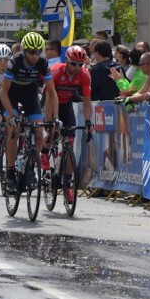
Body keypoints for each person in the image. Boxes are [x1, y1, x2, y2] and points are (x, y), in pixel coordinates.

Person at [0, 32, 58, 192]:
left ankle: (31, 166)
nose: (35, 56)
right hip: (11, 94)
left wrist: (55, 118)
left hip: (30, 94)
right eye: (31, 52)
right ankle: (10, 173)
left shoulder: (43, 63)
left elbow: (52, 92)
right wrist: (11, 116)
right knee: (14, 131)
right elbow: (3, 92)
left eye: (38, 52)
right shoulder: (15, 61)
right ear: (24, 51)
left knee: (39, 134)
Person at [49, 45, 94, 202]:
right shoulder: (56, 71)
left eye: (80, 64)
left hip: (66, 105)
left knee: (70, 142)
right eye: (74, 63)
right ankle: (45, 153)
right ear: (67, 61)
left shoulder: (84, 75)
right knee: (52, 132)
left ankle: (67, 183)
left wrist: (88, 121)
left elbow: (87, 101)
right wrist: (54, 119)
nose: (77, 67)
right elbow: (50, 97)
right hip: (50, 102)